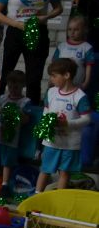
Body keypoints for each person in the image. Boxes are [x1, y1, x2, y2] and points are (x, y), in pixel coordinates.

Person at [35, 58, 90, 192]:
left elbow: (87, 119)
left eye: (54, 76)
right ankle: (36, 196)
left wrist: (67, 123)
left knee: (64, 173)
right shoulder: (51, 92)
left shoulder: (79, 96)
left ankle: (59, 200)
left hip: (70, 144)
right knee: (45, 169)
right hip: (51, 142)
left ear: (66, 75)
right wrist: (46, 124)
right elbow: (46, 111)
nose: (51, 79)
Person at [0, 71, 35, 195]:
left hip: (11, 138)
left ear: (23, 86)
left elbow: (26, 119)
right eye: (10, 87)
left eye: (16, 87)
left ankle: (5, 184)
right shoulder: (2, 98)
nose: (12, 90)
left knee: (7, 162)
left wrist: (17, 113)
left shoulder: (25, 101)